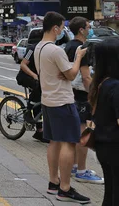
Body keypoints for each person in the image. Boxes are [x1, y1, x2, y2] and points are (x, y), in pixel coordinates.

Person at [34, 12, 90, 203]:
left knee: (54, 141)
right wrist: (79, 57)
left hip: (48, 100)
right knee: (69, 142)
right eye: (61, 27)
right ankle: (65, 188)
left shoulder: (39, 48)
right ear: (56, 28)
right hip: (62, 101)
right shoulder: (56, 50)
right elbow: (72, 75)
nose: (63, 31)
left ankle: (53, 182)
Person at [65, 17, 104, 184]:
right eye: (88, 27)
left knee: (74, 132)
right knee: (83, 133)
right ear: (81, 29)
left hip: (69, 93)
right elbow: (86, 77)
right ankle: (81, 170)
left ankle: (74, 166)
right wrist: (93, 96)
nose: (90, 29)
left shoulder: (68, 46)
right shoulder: (83, 49)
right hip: (81, 96)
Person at [89, 38, 119, 206]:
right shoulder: (116, 86)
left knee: (111, 190)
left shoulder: (101, 83)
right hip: (115, 145)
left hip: (103, 144)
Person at [17, 28, 46, 142]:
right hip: (25, 77)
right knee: (36, 89)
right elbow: (23, 65)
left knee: (39, 103)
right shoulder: (32, 49)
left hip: (38, 78)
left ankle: (40, 132)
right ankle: (28, 111)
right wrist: (34, 75)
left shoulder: (45, 49)